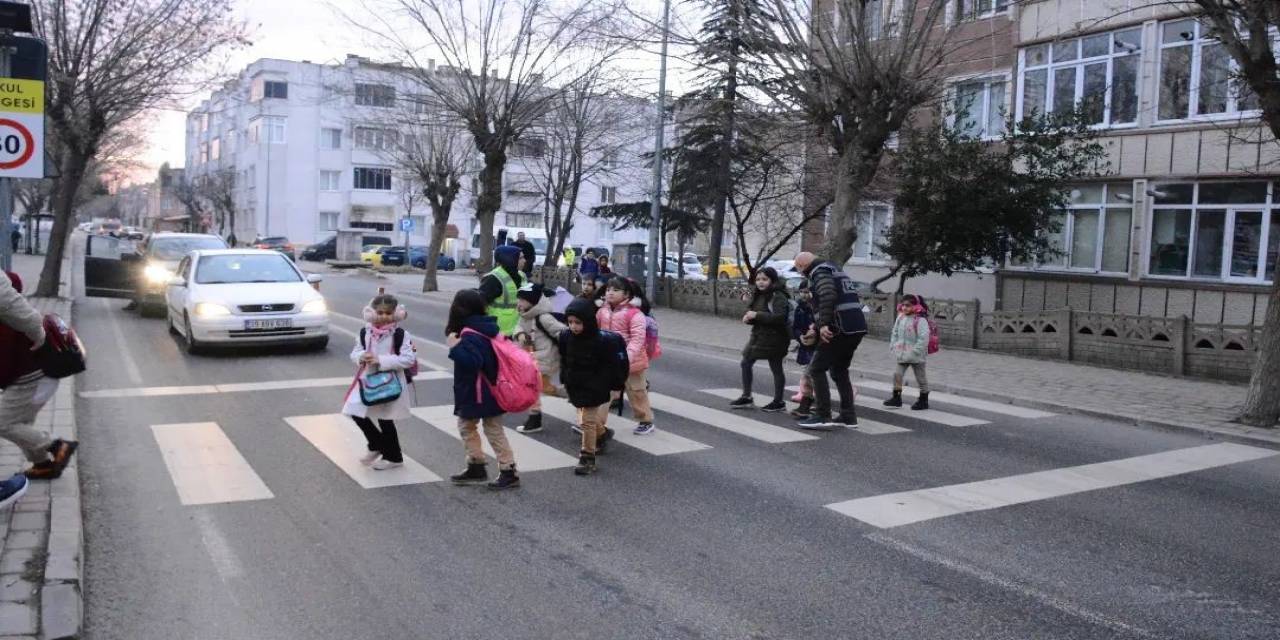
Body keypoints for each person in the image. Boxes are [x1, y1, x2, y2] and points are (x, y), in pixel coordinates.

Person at [0, 272, 79, 482]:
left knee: (4, 423)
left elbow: (6, 363)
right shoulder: (13, 314)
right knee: (20, 423)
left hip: (31, 379)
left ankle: (57, 446)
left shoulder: (9, 323)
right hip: (37, 377)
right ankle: (43, 465)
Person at [446, 289, 520, 490]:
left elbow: (474, 362)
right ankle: (479, 465)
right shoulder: (487, 327)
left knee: (483, 428)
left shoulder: (470, 334)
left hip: (479, 392)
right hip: (490, 389)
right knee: (479, 427)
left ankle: (506, 471)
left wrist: (455, 348)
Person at [793, 251, 867, 429]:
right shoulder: (834, 269)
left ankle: (822, 415)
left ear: (802, 266)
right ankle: (848, 416)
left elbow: (827, 296)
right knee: (839, 371)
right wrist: (816, 327)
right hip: (855, 328)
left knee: (816, 369)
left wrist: (824, 324)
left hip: (839, 329)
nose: (800, 274)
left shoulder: (820, 271)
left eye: (798, 270)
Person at [341, 294, 416, 470]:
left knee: (385, 419)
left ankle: (394, 457)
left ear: (396, 314)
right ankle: (376, 444)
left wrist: (381, 360)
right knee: (354, 410)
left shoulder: (400, 334)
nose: (384, 317)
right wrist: (361, 356)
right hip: (368, 380)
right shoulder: (365, 332)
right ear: (371, 313)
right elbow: (355, 352)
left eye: (388, 313)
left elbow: (408, 359)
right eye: (380, 313)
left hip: (390, 382)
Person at [559, 298, 622, 476]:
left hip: (594, 386)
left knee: (586, 421)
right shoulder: (566, 337)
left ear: (587, 321)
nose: (573, 326)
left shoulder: (601, 341)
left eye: (578, 322)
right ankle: (602, 434)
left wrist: (613, 386)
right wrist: (565, 378)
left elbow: (611, 365)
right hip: (576, 385)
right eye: (570, 322)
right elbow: (564, 359)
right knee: (589, 420)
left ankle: (587, 457)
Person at [598, 277, 654, 435]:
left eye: (616, 290)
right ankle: (594, 424)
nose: (610, 293)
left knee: (636, 391)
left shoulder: (634, 313)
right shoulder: (602, 311)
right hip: (608, 360)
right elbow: (595, 331)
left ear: (626, 294)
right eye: (608, 289)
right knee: (603, 392)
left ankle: (646, 420)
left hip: (632, 361)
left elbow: (637, 339)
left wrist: (626, 357)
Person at [729, 267, 791, 412]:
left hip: (776, 337)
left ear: (772, 280)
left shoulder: (778, 295)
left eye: (764, 279)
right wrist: (749, 318)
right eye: (758, 279)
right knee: (746, 362)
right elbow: (756, 314)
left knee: (776, 367)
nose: (760, 282)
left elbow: (780, 317)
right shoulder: (759, 294)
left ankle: (778, 401)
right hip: (759, 336)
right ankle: (747, 396)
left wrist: (756, 315)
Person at [514, 283, 566, 433]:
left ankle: (585, 408)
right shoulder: (526, 314)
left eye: (522, 300)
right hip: (532, 360)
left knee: (546, 389)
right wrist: (520, 334)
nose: (519, 303)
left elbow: (563, 332)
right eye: (519, 299)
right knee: (534, 388)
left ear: (533, 301)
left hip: (545, 361)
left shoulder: (544, 317)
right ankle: (534, 418)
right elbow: (518, 326)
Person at [883, 294, 931, 411]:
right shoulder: (901, 317)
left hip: (916, 356)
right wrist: (894, 345)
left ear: (916, 306)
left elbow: (924, 338)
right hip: (902, 353)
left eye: (908, 305)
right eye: (903, 305)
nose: (904, 308)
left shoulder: (920, 320)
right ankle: (896, 398)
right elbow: (894, 332)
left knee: (921, 378)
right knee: (897, 375)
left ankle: (923, 400)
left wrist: (915, 352)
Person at [479, 245, 524, 337]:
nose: (524, 260)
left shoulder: (521, 275)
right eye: (520, 258)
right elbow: (480, 304)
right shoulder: (493, 278)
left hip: (518, 331)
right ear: (510, 260)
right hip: (498, 333)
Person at [789, 282, 818, 420]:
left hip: (818, 345)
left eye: (807, 292)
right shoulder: (799, 307)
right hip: (805, 344)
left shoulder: (818, 307)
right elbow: (795, 327)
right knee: (808, 373)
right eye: (802, 291)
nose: (804, 295)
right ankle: (807, 405)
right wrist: (800, 336)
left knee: (812, 373)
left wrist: (815, 332)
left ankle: (815, 405)